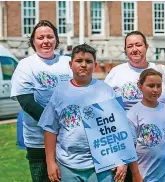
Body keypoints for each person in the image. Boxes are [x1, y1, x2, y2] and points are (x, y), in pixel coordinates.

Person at [37, 44, 143, 182]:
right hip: (67, 164)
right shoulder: (60, 92)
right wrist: (50, 163)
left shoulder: (106, 91)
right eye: (79, 61)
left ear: (95, 64)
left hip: (102, 164)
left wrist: (122, 160)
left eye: (88, 61)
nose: (83, 65)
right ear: (70, 64)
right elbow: (50, 129)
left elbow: (120, 128)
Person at [10, 20, 73, 182]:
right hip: (38, 143)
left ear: (56, 39)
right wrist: (57, 124)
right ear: (33, 41)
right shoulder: (26, 65)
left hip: (69, 141)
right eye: (40, 37)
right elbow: (27, 103)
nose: (46, 41)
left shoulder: (67, 63)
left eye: (50, 37)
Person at [127, 68, 165, 182]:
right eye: (151, 86)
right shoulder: (133, 113)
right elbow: (130, 148)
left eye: (159, 86)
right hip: (144, 175)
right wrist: (135, 174)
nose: (155, 90)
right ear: (140, 86)